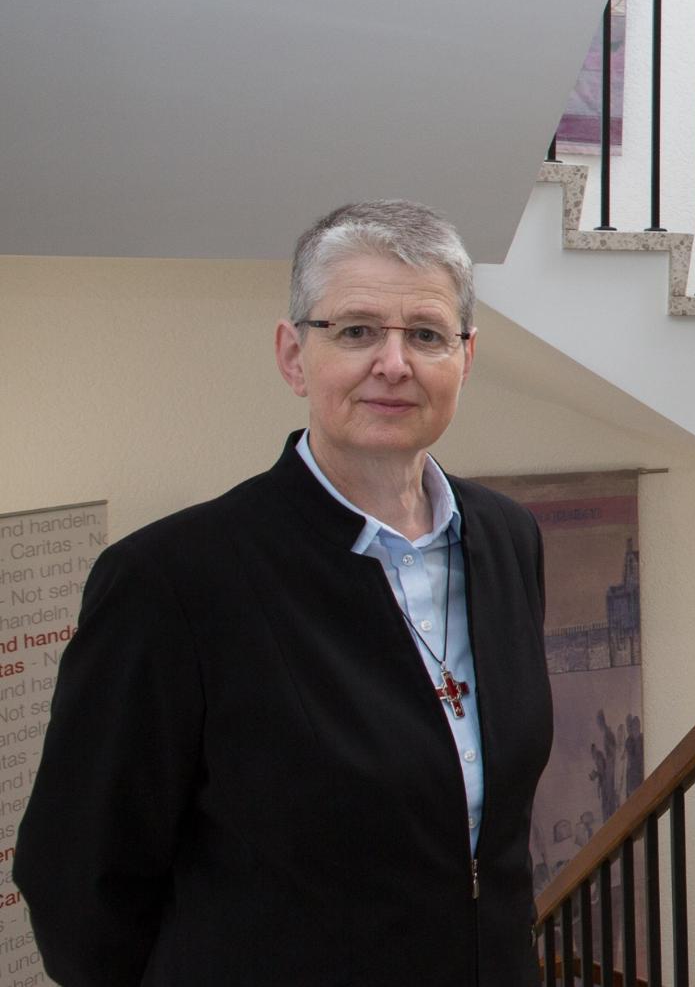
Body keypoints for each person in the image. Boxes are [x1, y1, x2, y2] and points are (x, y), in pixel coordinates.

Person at [17, 200, 553, 986]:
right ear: (293, 355)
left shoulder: (508, 539)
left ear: (465, 358)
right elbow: (79, 884)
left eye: (426, 334)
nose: (394, 362)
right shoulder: (173, 581)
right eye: (356, 329)